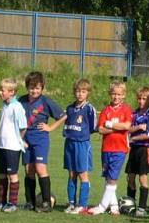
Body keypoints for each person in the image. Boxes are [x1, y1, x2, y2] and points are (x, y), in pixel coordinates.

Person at [19, 71, 65, 212]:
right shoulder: (21, 101)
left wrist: (50, 127)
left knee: (40, 168)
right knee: (29, 170)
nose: (34, 91)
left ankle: (46, 202)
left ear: (42, 88)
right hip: (25, 140)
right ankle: (30, 202)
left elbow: (63, 116)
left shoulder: (45, 102)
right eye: (32, 87)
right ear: (27, 87)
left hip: (40, 139)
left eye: (37, 88)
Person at [89, 80, 132, 215]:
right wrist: (115, 128)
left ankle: (101, 207)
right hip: (106, 148)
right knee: (108, 177)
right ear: (110, 94)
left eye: (119, 94)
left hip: (120, 149)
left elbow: (126, 126)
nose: (116, 97)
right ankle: (114, 206)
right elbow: (100, 129)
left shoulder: (126, 109)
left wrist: (109, 124)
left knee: (113, 178)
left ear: (123, 95)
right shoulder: (106, 110)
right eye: (114, 94)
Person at [0, 78, 27, 212]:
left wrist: (19, 140)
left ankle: (13, 203)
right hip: (1, 145)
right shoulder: (4, 105)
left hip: (12, 147)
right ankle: (1, 202)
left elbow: (23, 127)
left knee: (13, 175)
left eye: (2, 90)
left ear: (12, 92)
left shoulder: (17, 107)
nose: (0, 92)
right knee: (2, 175)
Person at [61, 78, 98, 214]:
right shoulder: (70, 108)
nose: (79, 94)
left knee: (83, 174)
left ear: (88, 93)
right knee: (71, 174)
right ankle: (72, 203)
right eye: (77, 91)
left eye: (83, 91)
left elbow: (94, 127)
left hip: (82, 144)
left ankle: (83, 204)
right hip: (69, 143)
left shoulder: (89, 109)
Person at [124, 86, 149, 216]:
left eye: (144, 99)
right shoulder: (134, 113)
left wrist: (133, 137)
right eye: (139, 98)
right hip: (134, 149)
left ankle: (142, 208)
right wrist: (137, 127)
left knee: (143, 178)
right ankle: (130, 204)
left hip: (144, 149)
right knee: (130, 177)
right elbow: (127, 129)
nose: (141, 101)